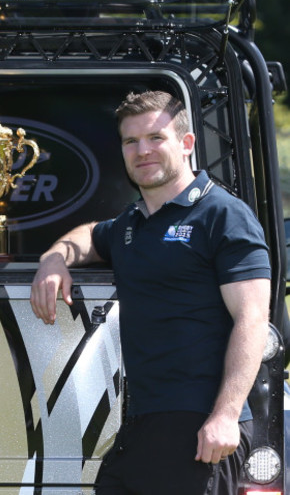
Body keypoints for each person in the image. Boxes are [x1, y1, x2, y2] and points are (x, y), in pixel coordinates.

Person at [30, 90, 270, 495]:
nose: (143, 150)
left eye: (156, 137)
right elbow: (89, 235)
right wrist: (53, 260)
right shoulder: (131, 224)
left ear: (187, 143)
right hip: (143, 424)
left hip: (200, 426)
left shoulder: (223, 215)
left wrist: (226, 416)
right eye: (131, 141)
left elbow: (253, 319)